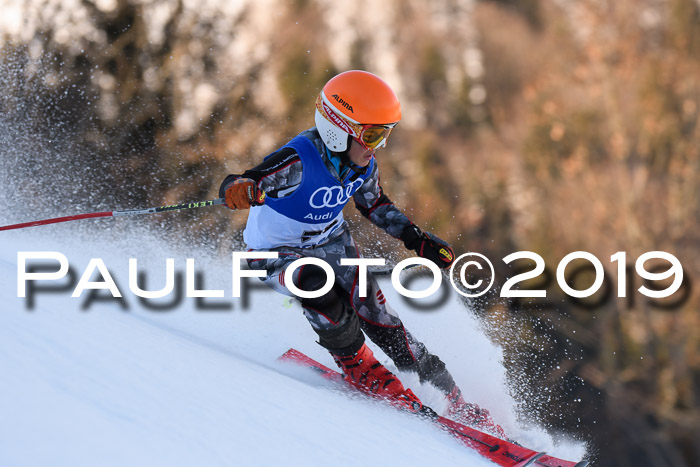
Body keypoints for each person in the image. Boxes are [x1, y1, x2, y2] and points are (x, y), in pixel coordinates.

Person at [220, 70, 505, 437]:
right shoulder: (298, 160)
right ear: (339, 128)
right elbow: (249, 179)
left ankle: (449, 394)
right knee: (315, 283)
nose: (377, 145)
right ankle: (358, 364)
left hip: (331, 240)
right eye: (372, 135)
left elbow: (375, 205)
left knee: (374, 310)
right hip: (273, 251)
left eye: (384, 135)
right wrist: (241, 188)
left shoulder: (362, 164)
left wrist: (416, 238)